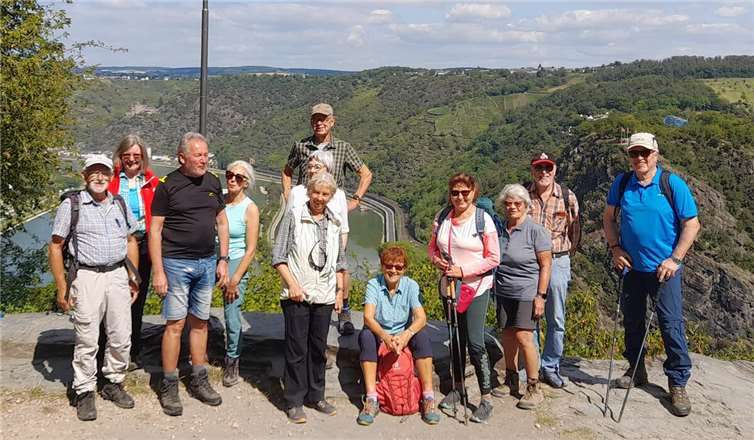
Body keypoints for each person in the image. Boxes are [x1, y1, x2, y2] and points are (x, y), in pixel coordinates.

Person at [603, 132, 700, 417]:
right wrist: (615, 248)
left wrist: (675, 259)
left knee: (670, 325)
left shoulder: (671, 184)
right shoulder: (622, 184)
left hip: (664, 271)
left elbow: (692, 224)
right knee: (632, 322)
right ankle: (636, 370)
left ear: (655, 154)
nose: (640, 159)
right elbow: (608, 218)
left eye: (645, 153)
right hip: (632, 268)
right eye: (634, 153)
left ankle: (677, 382)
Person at [48, 155, 140, 421]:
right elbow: (55, 246)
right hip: (87, 277)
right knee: (87, 338)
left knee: (121, 335)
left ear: (111, 177)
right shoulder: (72, 205)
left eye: (104, 173)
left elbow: (131, 240)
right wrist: (61, 285)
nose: (99, 177)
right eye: (93, 172)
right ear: (84, 176)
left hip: (117, 275)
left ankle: (113, 382)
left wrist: (133, 277)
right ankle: (85, 390)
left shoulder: (119, 204)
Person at [150, 132, 229, 416]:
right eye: (198, 155)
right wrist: (158, 271)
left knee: (201, 322)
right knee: (174, 324)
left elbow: (221, 222)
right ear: (182, 157)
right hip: (175, 264)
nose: (204, 159)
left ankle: (199, 379)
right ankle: (169, 383)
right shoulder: (167, 186)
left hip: (207, 263)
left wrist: (223, 259)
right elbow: (155, 229)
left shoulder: (212, 182)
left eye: (206, 154)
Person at [281, 103, 372, 334]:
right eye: (315, 119)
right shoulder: (301, 146)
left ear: (332, 121)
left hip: (334, 210)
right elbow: (287, 171)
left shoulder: (342, 147)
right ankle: (304, 304)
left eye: (324, 119)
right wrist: (288, 195)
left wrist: (355, 200)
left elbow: (365, 173)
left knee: (339, 261)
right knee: (302, 256)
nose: (319, 123)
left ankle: (344, 311)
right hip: (306, 210)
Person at [272, 172, 346, 424]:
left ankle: (317, 395)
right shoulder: (293, 216)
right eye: (316, 192)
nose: (319, 198)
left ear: (331, 196)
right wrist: (292, 285)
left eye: (325, 194)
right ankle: (294, 400)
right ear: (308, 192)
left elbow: (340, 262)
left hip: (324, 296)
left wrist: (338, 293)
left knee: (318, 349)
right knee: (296, 349)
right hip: (297, 294)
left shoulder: (335, 223)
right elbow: (278, 257)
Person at [428, 173, 500, 423]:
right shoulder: (442, 217)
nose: (459, 197)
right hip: (450, 287)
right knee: (455, 338)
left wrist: (463, 271)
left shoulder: (483, 220)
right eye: (455, 192)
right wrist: (437, 261)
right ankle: (458, 389)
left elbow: (493, 258)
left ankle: (486, 398)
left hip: (476, 286)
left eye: (465, 192)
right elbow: (432, 248)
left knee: (476, 342)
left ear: (474, 194)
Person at [356, 246, 441, 426]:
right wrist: (386, 338)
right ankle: (371, 399)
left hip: (402, 333)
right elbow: (368, 317)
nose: (393, 270)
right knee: (365, 337)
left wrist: (405, 336)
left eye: (398, 267)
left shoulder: (411, 285)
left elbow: (421, 318)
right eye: (389, 265)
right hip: (380, 333)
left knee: (422, 336)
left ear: (404, 269)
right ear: (382, 266)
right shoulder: (373, 284)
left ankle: (428, 396)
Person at [491, 184, 552, 410]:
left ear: (526, 206)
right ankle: (510, 378)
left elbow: (546, 265)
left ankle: (533, 387)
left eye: (517, 204)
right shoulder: (501, 230)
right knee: (507, 335)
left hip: (527, 292)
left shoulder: (536, 231)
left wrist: (541, 296)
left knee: (525, 337)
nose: (512, 208)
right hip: (503, 291)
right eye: (508, 204)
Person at [527, 152, 579, 388]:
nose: (544, 173)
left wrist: (565, 255)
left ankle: (551, 366)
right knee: (530, 316)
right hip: (530, 263)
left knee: (556, 316)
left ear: (555, 170)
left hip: (557, 259)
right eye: (539, 168)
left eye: (548, 168)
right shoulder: (523, 197)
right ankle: (532, 366)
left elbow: (574, 229)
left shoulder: (567, 197)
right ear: (532, 171)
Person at [108, 134, 159, 369]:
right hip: (116, 245)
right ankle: (110, 349)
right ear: (120, 156)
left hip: (144, 244)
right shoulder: (110, 181)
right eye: (127, 155)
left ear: (143, 158)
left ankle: (133, 350)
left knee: (136, 296)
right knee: (113, 298)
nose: (131, 159)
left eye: (136, 155)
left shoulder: (151, 182)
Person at [287, 150, 351, 333]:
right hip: (301, 257)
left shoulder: (339, 195)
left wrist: (337, 258)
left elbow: (343, 229)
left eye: (318, 166)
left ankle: (343, 313)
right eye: (310, 166)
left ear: (328, 169)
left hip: (330, 255)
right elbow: (288, 225)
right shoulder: (297, 193)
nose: (312, 170)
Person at [221, 160, 260, 387]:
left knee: (232, 313)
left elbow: (251, 248)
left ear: (246, 183)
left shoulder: (250, 208)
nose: (232, 179)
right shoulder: (219, 199)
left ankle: (232, 359)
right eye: (229, 174)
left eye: (239, 177)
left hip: (236, 261)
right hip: (214, 259)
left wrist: (235, 277)